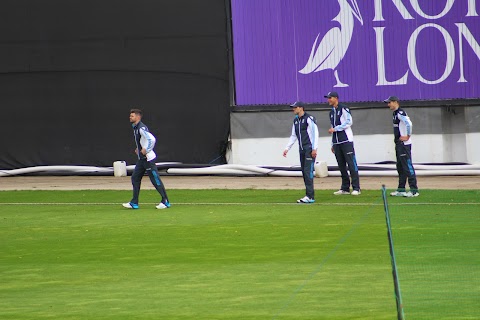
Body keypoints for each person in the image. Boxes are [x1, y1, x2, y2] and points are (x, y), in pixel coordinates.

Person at [122, 108, 171, 209]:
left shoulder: (141, 128)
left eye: (132, 116)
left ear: (138, 117)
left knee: (155, 179)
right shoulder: (135, 128)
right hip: (142, 160)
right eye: (130, 115)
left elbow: (151, 139)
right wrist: (139, 148)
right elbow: (143, 140)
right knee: (135, 178)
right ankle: (134, 202)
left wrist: (146, 149)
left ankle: (165, 201)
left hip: (148, 159)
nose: (130, 117)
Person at [283, 101, 319, 203]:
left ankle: (310, 196)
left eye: (295, 108)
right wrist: (287, 148)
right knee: (304, 172)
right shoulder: (296, 120)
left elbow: (315, 133)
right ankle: (308, 195)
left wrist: (314, 148)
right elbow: (293, 135)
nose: (293, 109)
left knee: (308, 172)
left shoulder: (309, 118)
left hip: (309, 149)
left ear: (301, 108)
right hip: (301, 149)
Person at [326, 91, 361, 195]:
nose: (328, 100)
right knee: (341, 165)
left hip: (346, 141)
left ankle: (356, 188)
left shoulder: (343, 108)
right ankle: (345, 188)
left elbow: (349, 122)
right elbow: (332, 128)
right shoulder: (331, 112)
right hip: (337, 142)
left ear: (336, 98)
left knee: (351, 164)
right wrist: (332, 143)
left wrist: (336, 129)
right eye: (328, 98)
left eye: (330, 98)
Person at [384, 96, 419, 197]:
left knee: (407, 166)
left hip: (404, 145)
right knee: (400, 167)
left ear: (395, 102)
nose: (388, 105)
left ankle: (414, 190)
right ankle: (401, 189)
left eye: (389, 103)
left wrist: (408, 135)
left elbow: (409, 124)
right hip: (399, 144)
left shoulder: (400, 113)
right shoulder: (395, 113)